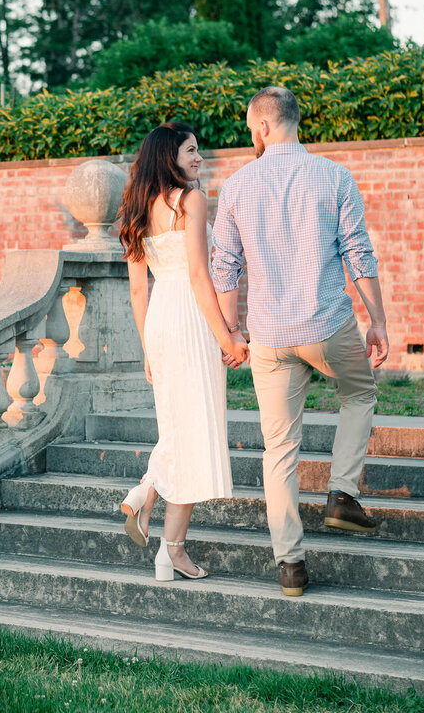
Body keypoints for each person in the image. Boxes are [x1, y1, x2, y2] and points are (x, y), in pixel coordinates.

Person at [211, 86, 389, 597]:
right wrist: (377, 319)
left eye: (251, 129)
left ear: (264, 126)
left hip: (268, 337)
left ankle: (290, 566)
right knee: (359, 392)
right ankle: (341, 495)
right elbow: (359, 253)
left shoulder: (238, 185)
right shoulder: (334, 176)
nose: (252, 137)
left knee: (279, 448)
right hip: (329, 326)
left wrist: (232, 332)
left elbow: (225, 266)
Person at [117, 122, 250, 582]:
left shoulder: (135, 207)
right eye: (191, 151)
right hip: (192, 317)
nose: (199, 158)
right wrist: (227, 337)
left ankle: (147, 500)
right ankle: (168, 542)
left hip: (160, 320)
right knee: (191, 430)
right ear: (167, 156)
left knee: (178, 426)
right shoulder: (191, 200)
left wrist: (147, 347)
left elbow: (138, 290)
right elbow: (199, 274)